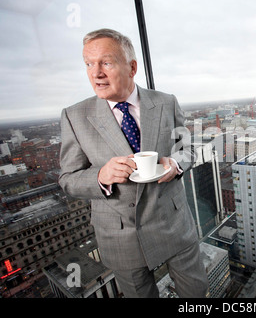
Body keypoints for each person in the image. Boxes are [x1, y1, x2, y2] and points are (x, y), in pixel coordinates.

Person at [59, 28, 208, 298]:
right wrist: (101, 176)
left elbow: (187, 149)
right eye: (89, 64)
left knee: (196, 294)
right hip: (121, 237)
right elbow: (68, 179)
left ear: (132, 67)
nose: (96, 73)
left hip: (173, 223)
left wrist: (175, 165)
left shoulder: (165, 102)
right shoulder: (74, 117)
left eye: (105, 62)